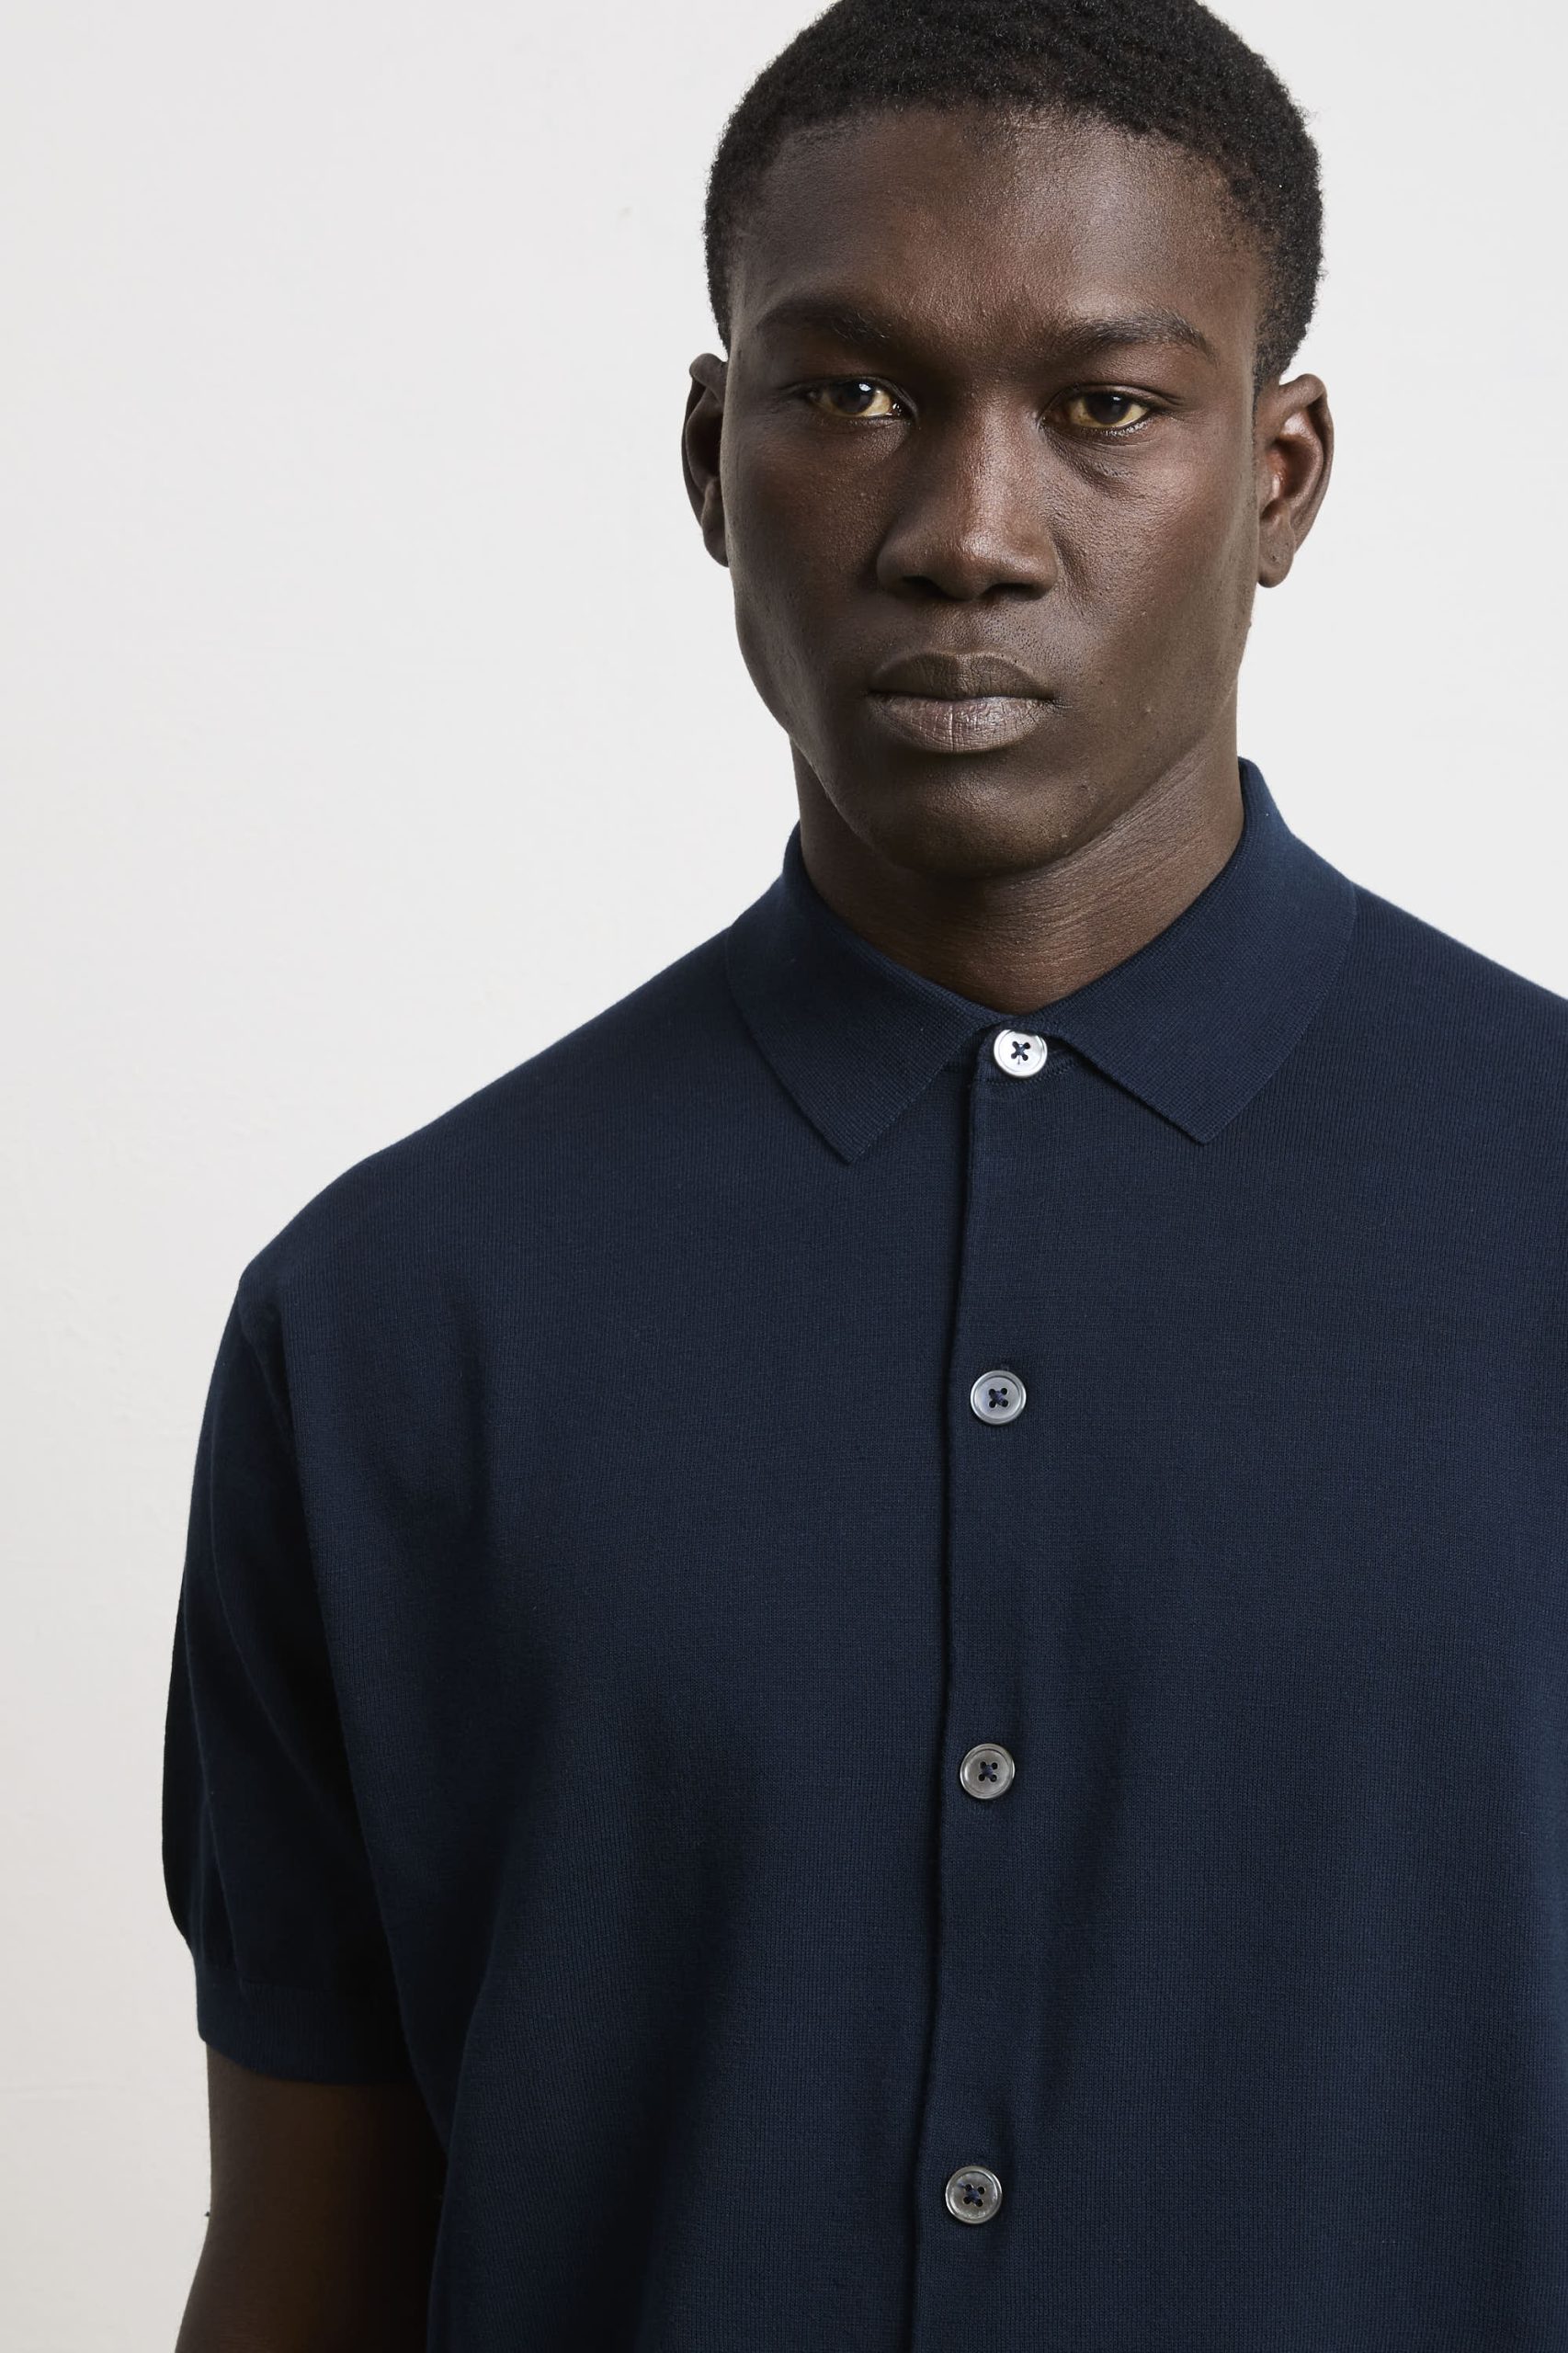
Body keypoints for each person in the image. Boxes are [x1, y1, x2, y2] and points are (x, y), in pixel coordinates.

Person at [162, 0, 1568, 2345]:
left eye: (1104, 407)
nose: (965, 535)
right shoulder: (394, 1318)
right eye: (848, 392)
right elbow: (306, 2274)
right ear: (710, 461)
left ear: (1279, 474)